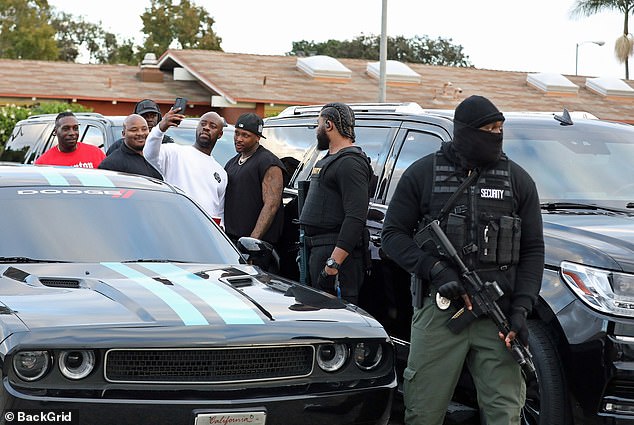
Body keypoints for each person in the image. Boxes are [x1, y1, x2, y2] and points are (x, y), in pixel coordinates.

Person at [381, 95, 545, 425]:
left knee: (505, 412)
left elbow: (532, 250)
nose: (496, 136)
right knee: (423, 409)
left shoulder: (517, 180)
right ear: (465, 131)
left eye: (500, 129)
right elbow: (392, 236)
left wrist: (521, 310)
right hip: (441, 310)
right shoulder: (423, 174)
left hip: (497, 316)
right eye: (489, 129)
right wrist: (435, 269)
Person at [298, 102, 372, 305]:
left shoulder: (351, 163)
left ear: (329, 125)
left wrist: (332, 265)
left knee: (339, 322)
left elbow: (356, 217)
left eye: (318, 124)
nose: (316, 130)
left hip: (336, 260)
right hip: (318, 251)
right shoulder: (330, 158)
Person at [144, 108, 227, 222]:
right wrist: (160, 128)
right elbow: (149, 154)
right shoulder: (175, 152)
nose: (206, 128)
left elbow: (219, 212)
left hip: (205, 233)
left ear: (220, 134)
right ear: (197, 127)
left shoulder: (221, 173)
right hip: (177, 227)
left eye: (212, 126)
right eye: (203, 124)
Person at [224, 113, 285, 248]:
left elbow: (271, 206)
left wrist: (252, 242)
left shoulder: (269, 163)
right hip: (232, 241)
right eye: (237, 133)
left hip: (256, 246)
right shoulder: (232, 163)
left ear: (257, 138)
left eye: (245, 135)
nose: (239, 139)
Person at [98, 114, 162, 180]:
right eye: (134, 130)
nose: (140, 133)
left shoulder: (157, 156)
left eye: (144, 129)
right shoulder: (111, 164)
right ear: (123, 134)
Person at [35, 112, 105, 168]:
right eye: (66, 129)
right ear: (55, 132)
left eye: (75, 128)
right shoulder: (43, 164)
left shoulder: (96, 154)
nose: (72, 133)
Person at [106, 99, 174, 155]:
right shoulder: (119, 147)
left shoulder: (167, 144)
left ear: (158, 118)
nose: (150, 119)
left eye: (153, 116)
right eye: (145, 116)